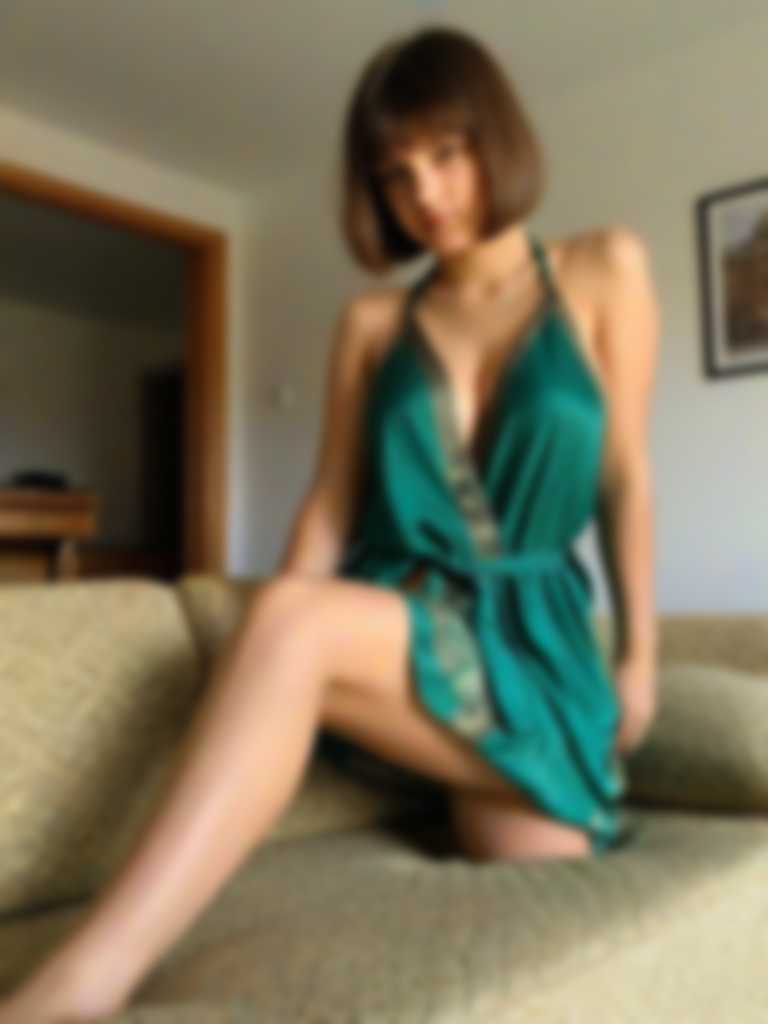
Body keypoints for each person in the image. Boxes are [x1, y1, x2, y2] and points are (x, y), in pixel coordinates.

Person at [0, 24, 660, 1023]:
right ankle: (77, 985)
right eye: (396, 174)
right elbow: (330, 504)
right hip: (410, 624)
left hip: (539, 648)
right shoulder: (371, 325)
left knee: (549, 878)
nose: (425, 193)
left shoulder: (606, 266)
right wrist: (267, 627)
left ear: (496, 138)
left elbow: (625, 476)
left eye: (447, 153)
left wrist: (641, 657)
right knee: (291, 621)